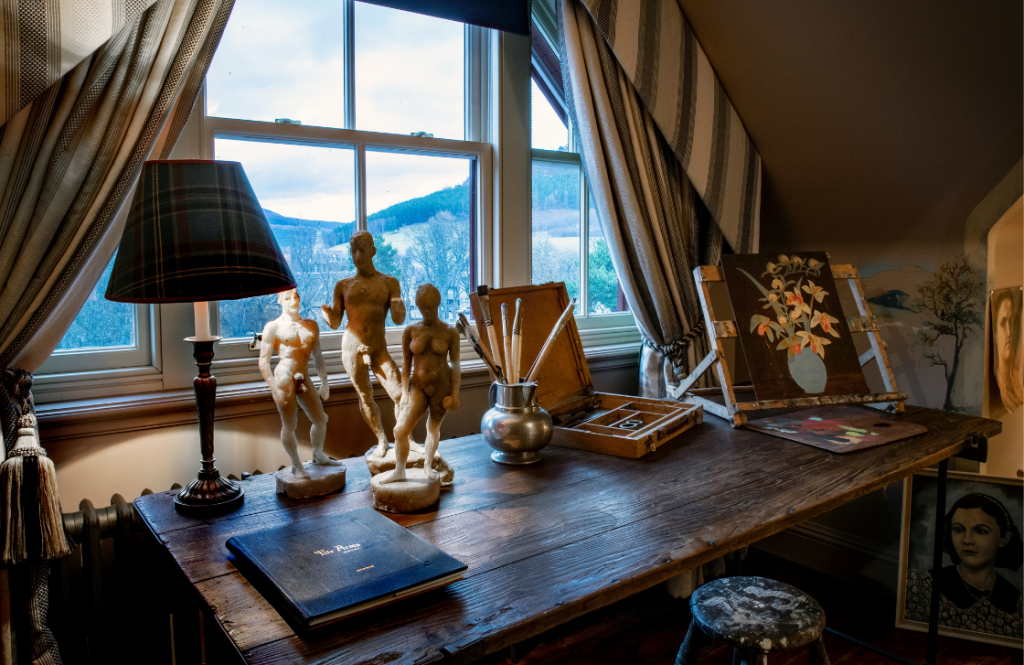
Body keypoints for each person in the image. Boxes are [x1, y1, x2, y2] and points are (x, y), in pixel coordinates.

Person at [321, 231, 406, 456]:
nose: (357, 256)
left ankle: (402, 440)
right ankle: (381, 440)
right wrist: (327, 313)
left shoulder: (389, 282)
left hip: (378, 347)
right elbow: (336, 322)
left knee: (400, 394)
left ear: (373, 251)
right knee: (365, 396)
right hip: (351, 347)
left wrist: (398, 303)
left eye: (361, 251)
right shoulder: (343, 285)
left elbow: (399, 318)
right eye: (353, 252)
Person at [905, 492, 1023, 639]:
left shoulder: (1017, 602)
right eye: (958, 529)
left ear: (1004, 539)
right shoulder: (921, 585)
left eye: (981, 531)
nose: (967, 540)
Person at [378, 284, 460, 485]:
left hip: (441, 387)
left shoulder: (450, 332)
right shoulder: (411, 330)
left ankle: (428, 466)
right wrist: (404, 393)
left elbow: (456, 366)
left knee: (433, 428)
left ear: (438, 304)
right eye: (423, 308)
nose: (427, 312)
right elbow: (406, 364)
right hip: (418, 387)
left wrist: (455, 394)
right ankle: (399, 471)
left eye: (430, 307)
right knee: (400, 430)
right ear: (418, 306)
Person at [259, 289, 341, 478]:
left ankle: (318, 455)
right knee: (290, 424)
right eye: (287, 298)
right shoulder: (273, 327)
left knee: (320, 419)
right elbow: (263, 361)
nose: (293, 301)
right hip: (284, 376)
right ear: (279, 301)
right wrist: (274, 389)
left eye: (296, 297)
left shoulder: (310, 325)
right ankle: (297, 465)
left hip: (303, 376)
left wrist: (325, 382)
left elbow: (318, 355)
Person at [992, 288, 1023, 413]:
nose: (1009, 332)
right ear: (994, 333)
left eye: (1011, 322)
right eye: (1003, 323)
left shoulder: (1015, 386)